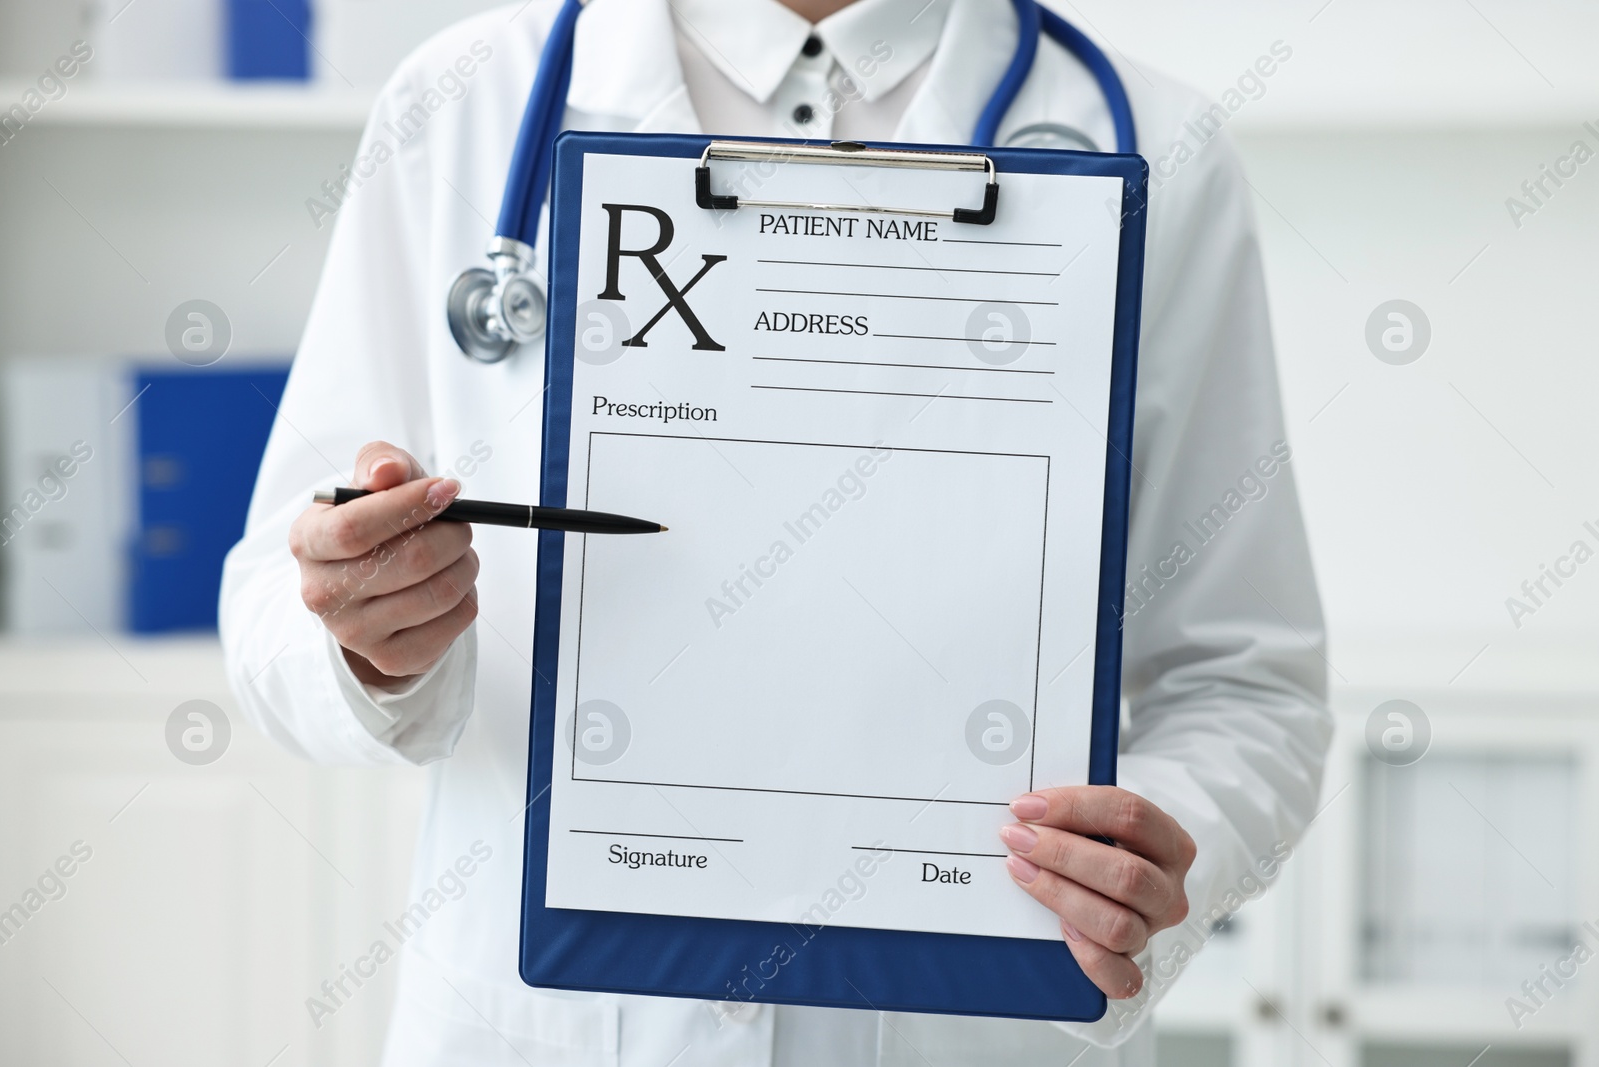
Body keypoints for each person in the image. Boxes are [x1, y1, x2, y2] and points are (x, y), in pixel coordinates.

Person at [220, 0, 1329, 1063]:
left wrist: (1151, 861)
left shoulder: (1158, 147)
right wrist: (363, 633)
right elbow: (273, 594)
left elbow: (1247, 684)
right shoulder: (462, 102)